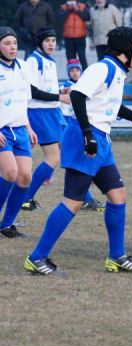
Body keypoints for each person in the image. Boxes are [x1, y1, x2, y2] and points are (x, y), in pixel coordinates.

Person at [23, 27, 132, 276]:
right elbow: (78, 95)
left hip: (101, 140)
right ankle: (37, 257)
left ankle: (116, 257)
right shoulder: (104, 68)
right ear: (125, 52)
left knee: (118, 195)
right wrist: (88, 135)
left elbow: (114, 107)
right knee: (73, 202)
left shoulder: (118, 72)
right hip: (86, 138)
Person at [0, 26, 70, 239]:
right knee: (10, 173)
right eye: (7, 43)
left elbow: (26, 97)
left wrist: (29, 127)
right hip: (3, 130)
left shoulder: (22, 66)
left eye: (14, 43)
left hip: (21, 128)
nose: (12, 47)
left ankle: (7, 224)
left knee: (24, 178)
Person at [20, 28, 69, 211]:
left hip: (53, 112)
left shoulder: (51, 61)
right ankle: (25, 197)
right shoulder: (33, 61)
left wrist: (61, 92)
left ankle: (82, 197)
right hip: (40, 113)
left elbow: (47, 90)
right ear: (40, 42)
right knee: (54, 158)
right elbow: (32, 91)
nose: (51, 44)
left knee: (67, 152)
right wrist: (59, 97)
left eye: (54, 40)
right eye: (47, 40)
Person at [59, 58, 104, 212]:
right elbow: (65, 99)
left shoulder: (83, 84)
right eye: (72, 70)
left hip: (77, 125)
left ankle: (87, 199)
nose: (75, 72)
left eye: (77, 70)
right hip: (69, 125)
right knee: (79, 164)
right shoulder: (66, 86)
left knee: (80, 163)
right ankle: (87, 199)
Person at [58, 0, 90, 70]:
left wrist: (77, 10)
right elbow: (60, 18)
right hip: (68, 38)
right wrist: (69, 10)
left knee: (82, 58)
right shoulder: (63, 7)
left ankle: (85, 75)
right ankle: (72, 76)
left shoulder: (83, 6)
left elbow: (87, 17)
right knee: (70, 59)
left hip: (81, 37)